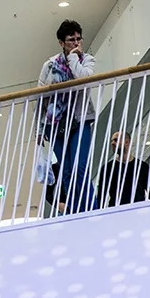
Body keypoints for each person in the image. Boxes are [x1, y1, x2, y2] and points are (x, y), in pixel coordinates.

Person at [37, 19, 99, 215]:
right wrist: (39, 129)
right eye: (71, 40)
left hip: (79, 120)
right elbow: (40, 98)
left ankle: (92, 210)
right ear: (61, 43)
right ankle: (75, 213)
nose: (77, 43)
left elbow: (83, 79)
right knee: (66, 170)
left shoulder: (87, 60)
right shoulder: (49, 66)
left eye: (79, 39)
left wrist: (73, 58)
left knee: (80, 167)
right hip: (55, 124)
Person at [97, 131, 150, 208]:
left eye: (116, 140)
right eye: (111, 141)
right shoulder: (107, 168)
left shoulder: (142, 166)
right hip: (117, 210)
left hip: (138, 209)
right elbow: (101, 196)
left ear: (126, 142)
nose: (112, 143)